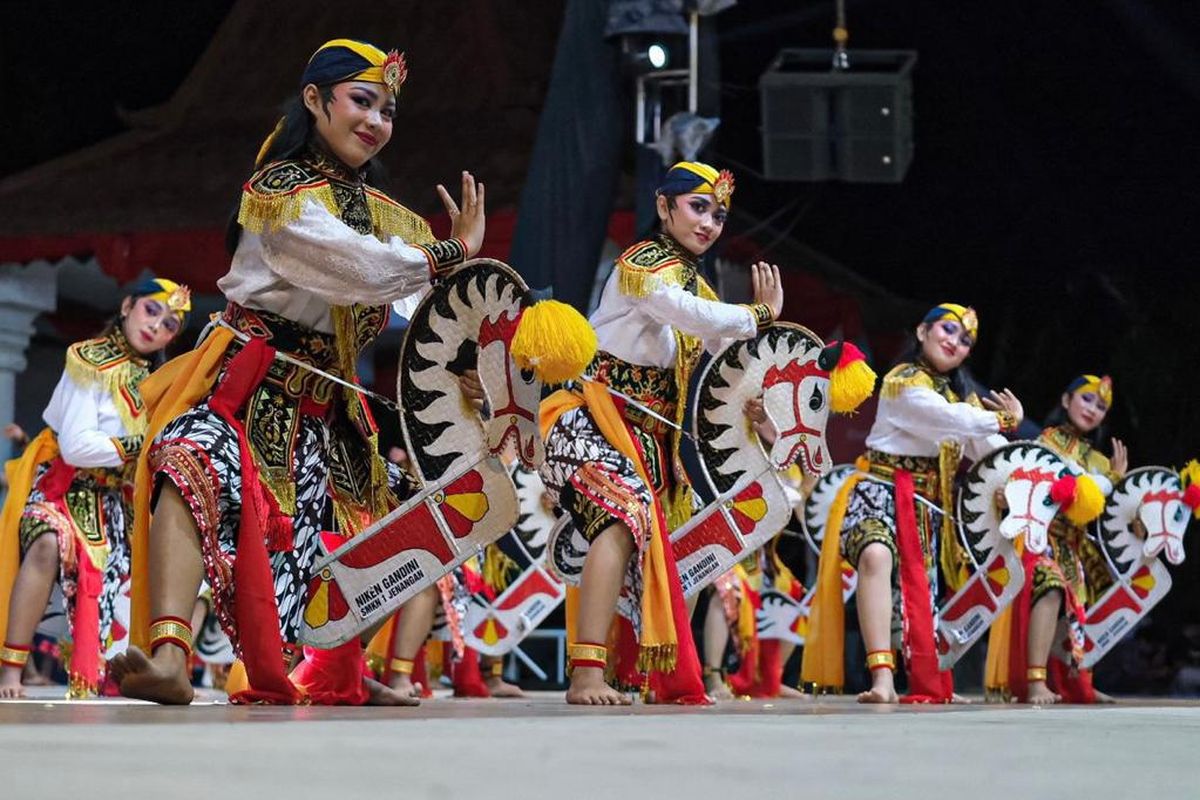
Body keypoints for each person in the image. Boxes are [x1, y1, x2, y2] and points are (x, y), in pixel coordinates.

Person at [108, 38, 486, 705]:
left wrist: (467, 353)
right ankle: (170, 658)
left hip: (328, 397)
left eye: (387, 111)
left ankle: (344, 671)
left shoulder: (388, 217)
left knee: (369, 519)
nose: (375, 122)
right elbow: (358, 269)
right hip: (248, 383)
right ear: (315, 101)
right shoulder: (279, 192)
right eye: (361, 101)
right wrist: (449, 253)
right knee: (188, 462)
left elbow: (414, 301)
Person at [539, 161, 783, 705]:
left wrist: (766, 409)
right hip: (589, 419)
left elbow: (727, 357)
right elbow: (693, 316)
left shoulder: (697, 282)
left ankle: (643, 677)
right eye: (698, 207)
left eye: (719, 214)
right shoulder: (641, 263)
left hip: (652, 439)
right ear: (663, 207)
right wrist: (756, 315)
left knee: (690, 542)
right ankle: (585, 674)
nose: (709, 223)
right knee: (622, 515)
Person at [802, 304, 1023, 703]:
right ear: (922, 331)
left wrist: (1012, 483)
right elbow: (951, 420)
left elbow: (987, 449)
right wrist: (1005, 420)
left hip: (925, 502)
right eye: (948, 330)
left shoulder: (962, 401)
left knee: (920, 591)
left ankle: (929, 676)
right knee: (874, 557)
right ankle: (882, 679)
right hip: (878, 489)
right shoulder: (902, 383)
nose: (954, 341)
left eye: (965, 340)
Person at [0, 279, 190, 698]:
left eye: (170, 324)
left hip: (117, 503)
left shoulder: (157, 385)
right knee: (49, 542)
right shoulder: (87, 360)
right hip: (62, 486)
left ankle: (114, 673)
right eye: (151, 310)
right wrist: (140, 447)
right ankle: (10, 671)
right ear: (127, 306)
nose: (156, 326)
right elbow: (77, 446)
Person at [985, 374, 1123, 704]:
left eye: (1101, 406)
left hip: (1073, 546)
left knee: (1098, 596)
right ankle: (1035, 681)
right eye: (1087, 399)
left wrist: (1115, 481)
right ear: (1066, 400)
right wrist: (1007, 495)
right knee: (1050, 586)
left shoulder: (1101, 463)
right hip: (1037, 540)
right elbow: (1015, 479)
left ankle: (1079, 683)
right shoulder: (1042, 443)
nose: (1092, 409)